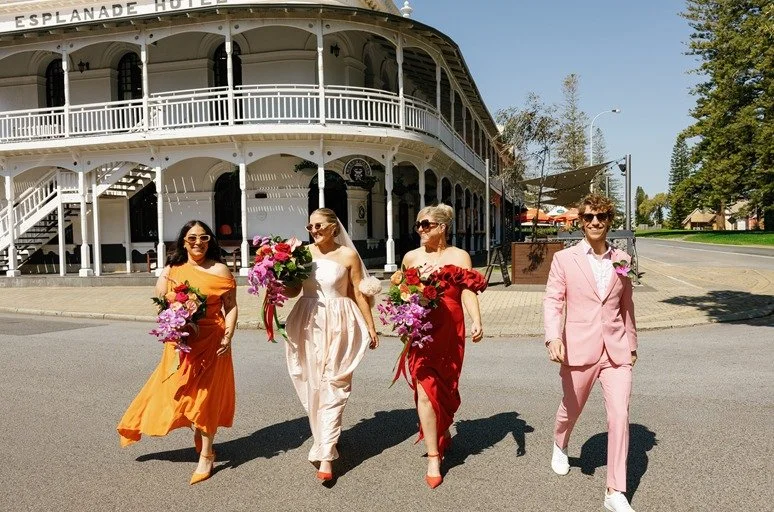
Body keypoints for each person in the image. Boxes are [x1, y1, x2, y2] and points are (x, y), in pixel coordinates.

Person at [118, 220, 238, 485]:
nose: (198, 243)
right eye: (192, 238)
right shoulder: (171, 270)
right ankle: (198, 426)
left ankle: (206, 455)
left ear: (210, 240)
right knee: (180, 394)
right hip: (181, 344)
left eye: (204, 237)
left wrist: (228, 336)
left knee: (206, 399)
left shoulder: (221, 270)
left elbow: (230, 307)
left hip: (212, 341)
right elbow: (162, 308)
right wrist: (177, 323)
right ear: (184, 241)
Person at [543, 193, 638, 512]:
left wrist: (632, 344)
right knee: (572, 407)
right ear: (581, 222)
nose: (595, 222)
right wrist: (552, 337)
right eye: (589, 217)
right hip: (579, 346)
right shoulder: (564, 259)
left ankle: (615, 491)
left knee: (620, 415)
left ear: (609, 220)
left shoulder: (622, 259)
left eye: (601, 216)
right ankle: (560, 443)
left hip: (616, 350)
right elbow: (553, 300)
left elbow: (626, 304)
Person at [283, 208, 380, 481]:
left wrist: (370, 326)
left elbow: (359, 292)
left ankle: (326, 454)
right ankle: (325, 437)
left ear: (333, 227)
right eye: (310, 227)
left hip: (340, 320)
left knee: (335, 381)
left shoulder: (348, 255)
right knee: (312, 381)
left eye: (319, 226)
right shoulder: (302, 254)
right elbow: (294, 290)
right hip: (307, 320)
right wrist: (277, 279)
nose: (314, 231)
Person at [400, 203, 486, 489]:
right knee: (425, 389)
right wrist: (406, 312)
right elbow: (402, 293)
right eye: (418, 225)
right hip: (422, 329)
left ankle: (444, 425)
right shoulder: (411, 257)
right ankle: (433, 457)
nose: (420, 230)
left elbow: (467, 291)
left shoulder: (459, 256)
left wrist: (477, 320)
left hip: (451, 328)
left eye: (426, 224)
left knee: (446, 386)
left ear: (442, 227)